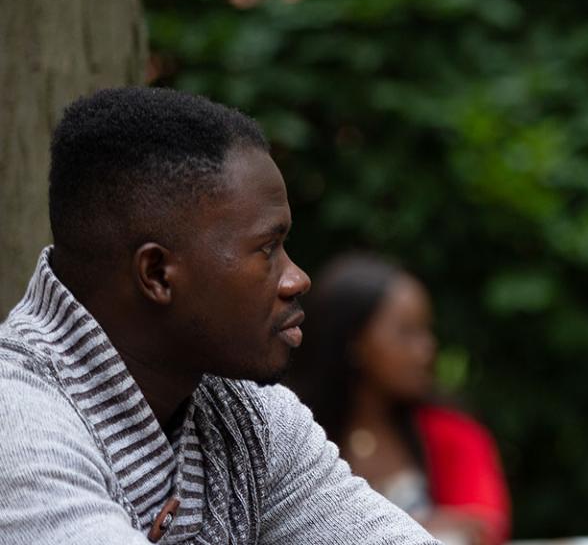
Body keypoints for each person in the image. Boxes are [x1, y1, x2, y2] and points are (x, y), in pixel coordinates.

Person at [0, 87, 435, 543]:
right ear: (157, 274)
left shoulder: (248, 418)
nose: (297, 279)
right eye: (267, 249)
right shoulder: (19, 423)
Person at [286, 254, 511, 545]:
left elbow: (483, 529)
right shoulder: (293, 435)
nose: (427, 349)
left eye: (426, 330)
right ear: (353, 342)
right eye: (406, 333)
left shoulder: (453, 433)